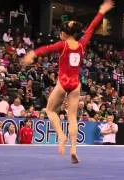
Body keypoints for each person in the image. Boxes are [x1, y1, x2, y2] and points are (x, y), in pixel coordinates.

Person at [21, 0, 114, 164]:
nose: (60, 33)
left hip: (63, 82)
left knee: (50, 110)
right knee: (72, 117)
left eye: (61, 31)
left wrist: (32, 54)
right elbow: (91, 28)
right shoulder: (82, 44)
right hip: (76, 84)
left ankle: (61, 135)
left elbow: (45, 49)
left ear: (65, 34)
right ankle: (73, 150)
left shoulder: (62, 45)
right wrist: (101, 12)